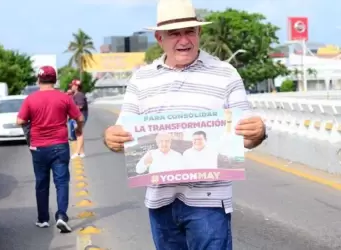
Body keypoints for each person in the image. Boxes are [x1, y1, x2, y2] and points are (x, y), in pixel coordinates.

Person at [103, 0, 267, 249]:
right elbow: (124, 131)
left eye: (190, 31)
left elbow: (246, 133)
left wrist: (257, 132)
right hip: (160, 202)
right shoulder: (141, 79)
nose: (183, 40)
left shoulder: (225, 73)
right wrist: (111, 138)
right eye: (174, 34)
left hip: (209, 202)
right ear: (160, 38)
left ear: (199, 32)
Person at [16, 65, 84, 233]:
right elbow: (80, 117)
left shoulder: (30, 99)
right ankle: (61, 216)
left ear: (38, 80)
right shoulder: (64, 98)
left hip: (38, 147)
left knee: (41, 183)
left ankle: (43, 219)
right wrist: (78, 129)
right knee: (61, 182)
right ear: (54, 80)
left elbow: (19, 121)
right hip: (60, 146)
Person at [70, 79, 88, 159]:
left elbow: (80, 106)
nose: (71, 86)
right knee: (78, 133)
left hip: (80, 116)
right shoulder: (77, 94)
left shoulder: (79, 95)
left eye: (73, 85)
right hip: (78, 116)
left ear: (76, 86)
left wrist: (70, 109)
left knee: (79, 133)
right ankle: (82, 152)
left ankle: (77, 152)